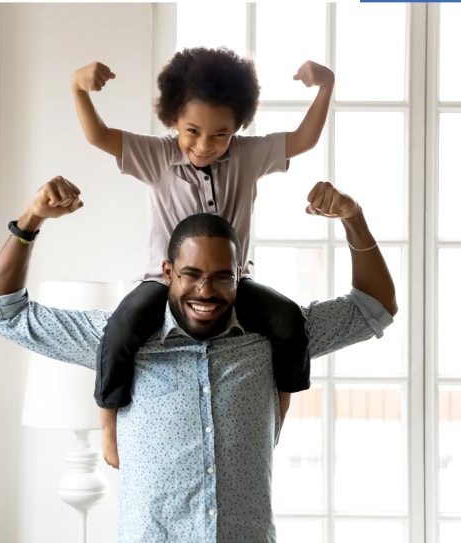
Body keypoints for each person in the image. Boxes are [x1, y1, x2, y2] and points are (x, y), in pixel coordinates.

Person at [0, 175, 397, 543]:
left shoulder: (273, 338)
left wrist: (353, 217)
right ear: (167, 273)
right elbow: (2, 312)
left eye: (221, 277)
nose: (205, 291)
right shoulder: (118, 340)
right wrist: (31, 221)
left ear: (239, 277)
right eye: (191, 274)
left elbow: (375, 306)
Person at [70, 47, 336, 467]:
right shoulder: (156, 156)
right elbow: (98, 136)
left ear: (237, 128)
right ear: (173, 118)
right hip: (166, 284)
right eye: (192, 131)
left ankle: (277, 419)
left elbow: (303, 139)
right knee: (120, 329)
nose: (205, 145)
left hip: (234, 283)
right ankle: (107, 425)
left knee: (289, 321)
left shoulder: (248, 157)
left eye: (220, 134)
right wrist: (78, 89)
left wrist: (326, 87)